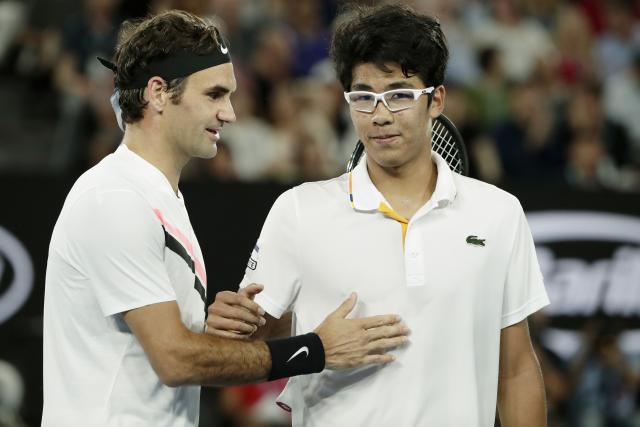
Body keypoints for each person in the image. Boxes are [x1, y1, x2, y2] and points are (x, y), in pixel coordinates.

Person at [41, 10, 409, 427]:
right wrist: (316, 350)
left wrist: (209, 331)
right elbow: (175, 359)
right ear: (158, 93)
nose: (229, 114)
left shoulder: (157, 198)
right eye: (214, 95)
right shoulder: (116, 199)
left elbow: (171, 354)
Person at [207, 4, 550, 426]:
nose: (380, 115)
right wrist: (235, 329)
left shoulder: (498, 213)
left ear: (436, 100)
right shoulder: (298, 210)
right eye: (364, 97)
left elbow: (515, 370)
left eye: (399, 94)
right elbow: (245, 348)